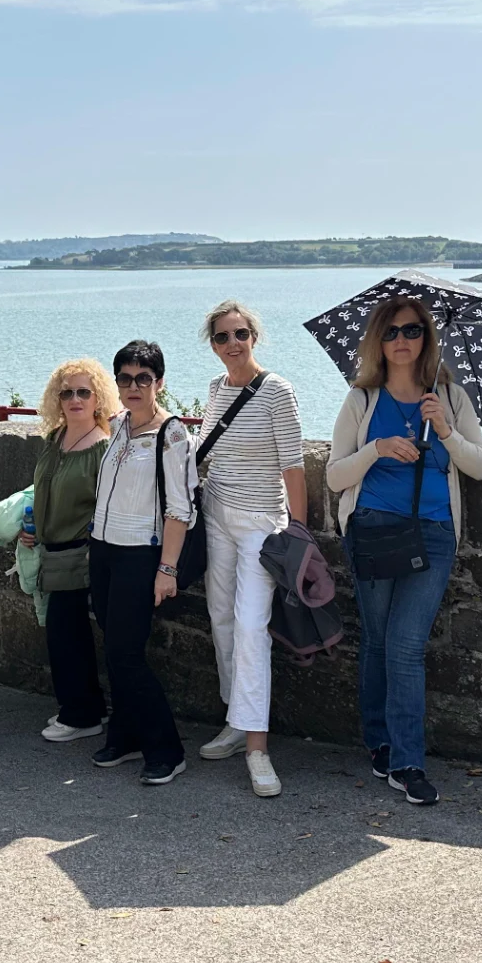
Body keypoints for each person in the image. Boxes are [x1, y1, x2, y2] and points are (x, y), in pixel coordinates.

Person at [326, 296, 482, 807]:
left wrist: (443, 429)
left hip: (433, 534)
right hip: (373, 530)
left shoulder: (450, 397)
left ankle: (407, 762)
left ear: (427, 338)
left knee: (404, 646)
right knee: (377, 640)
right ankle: (379, 740)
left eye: (413, 330)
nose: (402, 340)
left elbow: (479, 465)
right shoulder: (362, 401)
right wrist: (375, 450)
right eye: (392, 331)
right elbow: (334, 476)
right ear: (379, 340)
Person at [192, 300, 307, 799]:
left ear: (254, 338)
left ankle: (258, 748)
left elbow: (294, 467)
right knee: (219, 617)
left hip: (262, 524)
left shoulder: (277, 391)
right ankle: (236, 718)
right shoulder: (217, 390)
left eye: (239, 334)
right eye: (221, 337)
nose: (232, 344)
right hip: (217, 515)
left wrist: (298, 530)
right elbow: (205, 453)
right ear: (213, 345)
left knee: (251, 628)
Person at [88, 341, 192, 785]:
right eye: (126, 379)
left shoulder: (171, 433)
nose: (133, 386)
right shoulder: (116, 426)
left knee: (126, 653)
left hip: (141, 552)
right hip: (104, 547)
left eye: (143, 378)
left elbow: (179, 508)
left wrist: (166, 569)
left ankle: (166, 747)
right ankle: (126, 734)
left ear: (159, 382)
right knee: (114, 646)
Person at [23, 358, 119, 744]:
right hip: (50, 551)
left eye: (84, 392)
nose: (75, 399)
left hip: (80, 555)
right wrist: (31, 528)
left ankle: (82, 715)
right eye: (67, 392)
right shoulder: (55, 440)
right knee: (63, 634)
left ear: (98, 398)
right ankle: (83, 707)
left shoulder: (103, 448)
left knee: (68, 636)